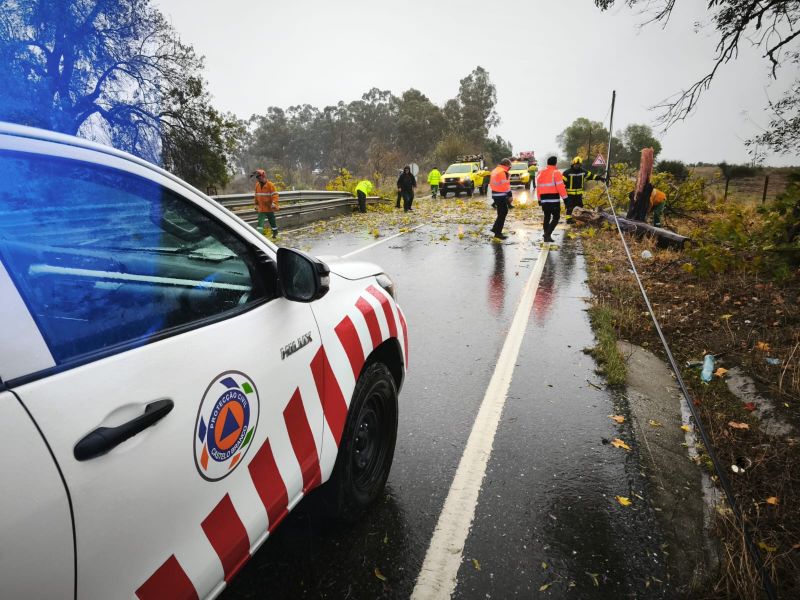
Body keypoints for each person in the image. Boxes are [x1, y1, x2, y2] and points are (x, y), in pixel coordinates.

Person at [562, 156, 605, 224]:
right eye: (576, 164)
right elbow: (561, 183)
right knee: (570, 207)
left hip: (579, 194)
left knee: (580, 206)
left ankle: (579, 218)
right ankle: (569, 220)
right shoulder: (567, 172)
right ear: (573, 164)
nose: (577, 166)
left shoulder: (583, 171)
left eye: (579, 165)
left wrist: (600, 178)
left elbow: (592, 176)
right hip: (569, 194)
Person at [536, 156, 568, 243]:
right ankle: (547, 234)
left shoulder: (540, 172)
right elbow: (560, 187)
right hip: (553, 199)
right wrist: (565, 199)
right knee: (556, 217)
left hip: (544, 199)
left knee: (547, 217)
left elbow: (538, 187)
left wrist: (539, 199)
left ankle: (546, 234)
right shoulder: (556, 172)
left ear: (547, 162)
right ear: (555, 163)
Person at [489, 158, 513, 240]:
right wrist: (510, 196)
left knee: (500, 212)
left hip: (495, 194)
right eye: (510, 165)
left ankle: (495, 228)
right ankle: (498, 233)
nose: (510, 167)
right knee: (503, 213)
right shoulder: (503, 172)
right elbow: (505, 185)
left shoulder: (495, 170)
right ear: (506, 164)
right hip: (501, 195)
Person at [252, 169, 279, 238]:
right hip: (261, 208)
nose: (258, 178)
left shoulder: (270, 185)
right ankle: (259, 237)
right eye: (257, 177)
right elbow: (256, 195)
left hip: (269, 207)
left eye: (259, 177)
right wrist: (256, 204)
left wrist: (274, 203)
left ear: (263, 176)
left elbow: (275, 195)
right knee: (260, 223)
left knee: (272, 222)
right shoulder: (257, 185)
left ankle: (275, 234)